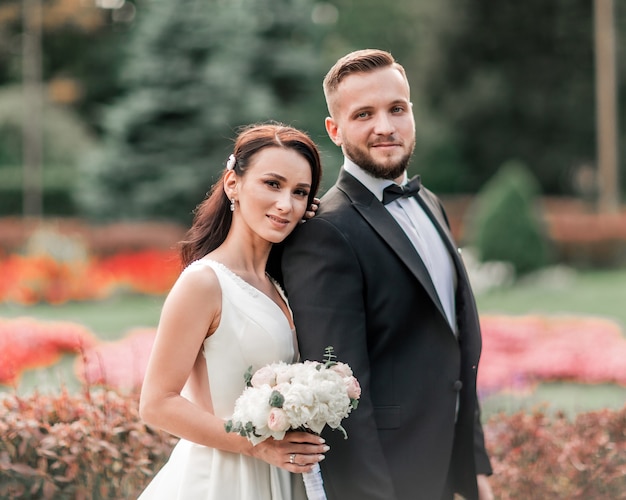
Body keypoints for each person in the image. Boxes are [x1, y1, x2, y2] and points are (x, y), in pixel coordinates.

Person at [279, 49, 494, 499]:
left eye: (397, 108)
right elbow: (339, 396)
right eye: (364, 114)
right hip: (389, 479)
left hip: (443, 470)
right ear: (334, 130)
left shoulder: (430, 203)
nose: (385, 126)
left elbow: (451, 346)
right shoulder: (324, 232)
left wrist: (471, 471)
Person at [138, 123, 327, 500]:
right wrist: (254, 444)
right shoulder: (205, 283)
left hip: (284, 480)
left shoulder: (283, 284)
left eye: (300, 192)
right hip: (223, 480)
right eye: (272, 184)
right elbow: (156, 404)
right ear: (232, 185)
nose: (286, 204)